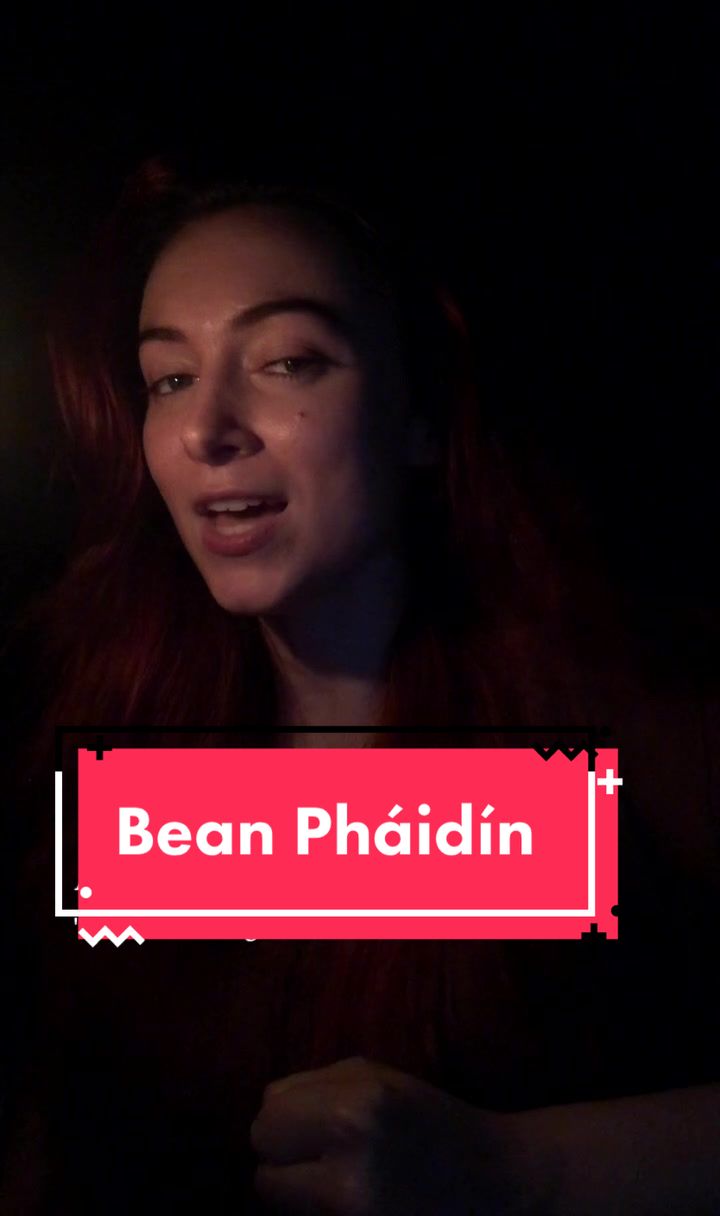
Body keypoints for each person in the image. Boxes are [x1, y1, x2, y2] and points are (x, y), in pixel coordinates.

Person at [1, 154, 719, 1213]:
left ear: (418, 412)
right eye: (169, 378)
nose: (206, 429)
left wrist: (516, 1166)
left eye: (287, 361)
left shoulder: (624, 720)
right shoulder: (95, 720)